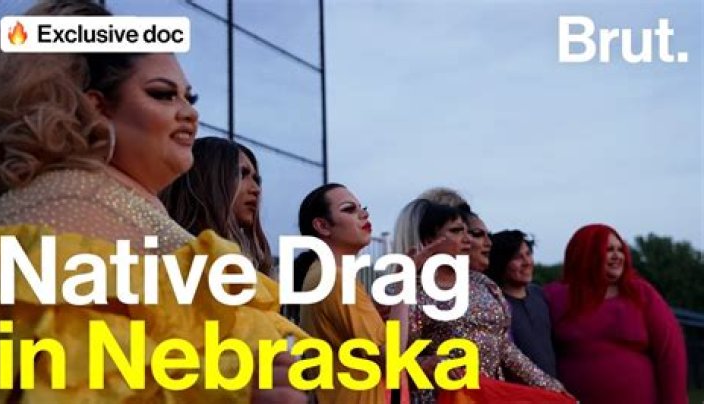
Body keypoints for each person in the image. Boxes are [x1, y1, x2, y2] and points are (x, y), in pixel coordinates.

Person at [0, 1, 305, 403]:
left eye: (190, 97)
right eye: (162, 94)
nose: (189, 114)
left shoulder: (111, 200)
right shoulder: (71, 201)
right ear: (96, 107)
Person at [395, 199, 564, 404]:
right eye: (456, 231)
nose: (467, 239)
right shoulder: (411, 291)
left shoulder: (483, 284)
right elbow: (392, 361)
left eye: (468, 232)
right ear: (429, 239)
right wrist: (426, 365)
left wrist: (552, 388)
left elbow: (505, 348)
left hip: (488, 396)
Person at [544, 224, 688, 404]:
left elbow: (671, 354)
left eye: (620, 250)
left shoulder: (641, 294)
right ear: (586, 253)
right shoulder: (553, 296)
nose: (617, 256)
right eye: (608, 250)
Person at [295, 183, 408, 404]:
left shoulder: (325, 274)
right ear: (322, 226)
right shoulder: (335, 278)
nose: (364, 214)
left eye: (362, 208)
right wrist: (404, 287)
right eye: (349, 209)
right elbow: (391, 360)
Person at [161, 137, 273, 274]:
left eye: (256, 180)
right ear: (207, 181)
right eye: (242, 174)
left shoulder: (250, 263)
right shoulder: (179, 257)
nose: (256, 189)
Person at [488, 230, 557, 377]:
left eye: (528, 254)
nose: (527, 262)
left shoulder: (539, 295)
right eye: (517, 257)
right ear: (501, 263)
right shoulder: (494, 305)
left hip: (552, 387)